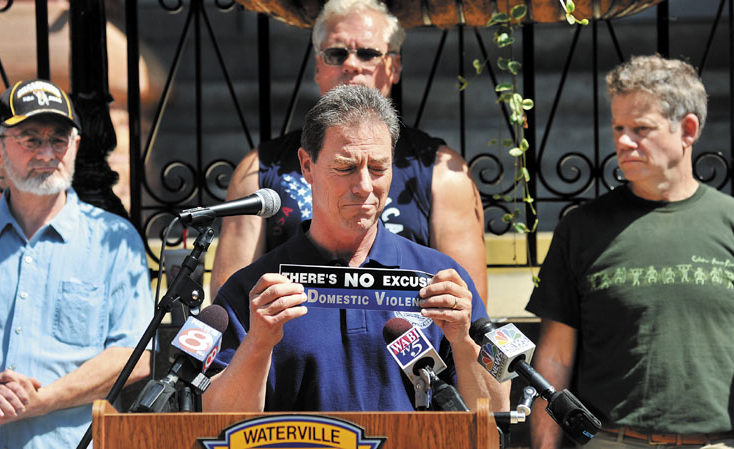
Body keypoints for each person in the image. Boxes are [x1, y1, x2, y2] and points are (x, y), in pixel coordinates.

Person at [202, 84, 507, 413]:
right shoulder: (256, 291)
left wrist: (462, 342)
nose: (364, 186)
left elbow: (495, 410)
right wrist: (258, 344)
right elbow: (217, 421)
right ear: (307, 166)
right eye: (346, 167)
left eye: (378, 168)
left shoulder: (439, 279)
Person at [210, 0, 488, 305]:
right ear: (318, 67)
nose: (351, 64)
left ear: (394, 67)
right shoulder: (260, 168)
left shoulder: (441, 172)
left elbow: (468, 309)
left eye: (368, 53)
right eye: (336, 53)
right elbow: (230, 308)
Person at [526, 55, 734, 449]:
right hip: (610, 440)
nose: (623, 141)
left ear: (688, 129)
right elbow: (554, 362)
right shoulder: (582, 228)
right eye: (618, 127)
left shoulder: (728, 221)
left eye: (641, 128)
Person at [0, 79, 153, 449]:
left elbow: (134, 353)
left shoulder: (113, 240)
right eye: (31, 139)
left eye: (59, 139)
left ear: (76, 146)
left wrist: (43, 400)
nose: (47, 153)